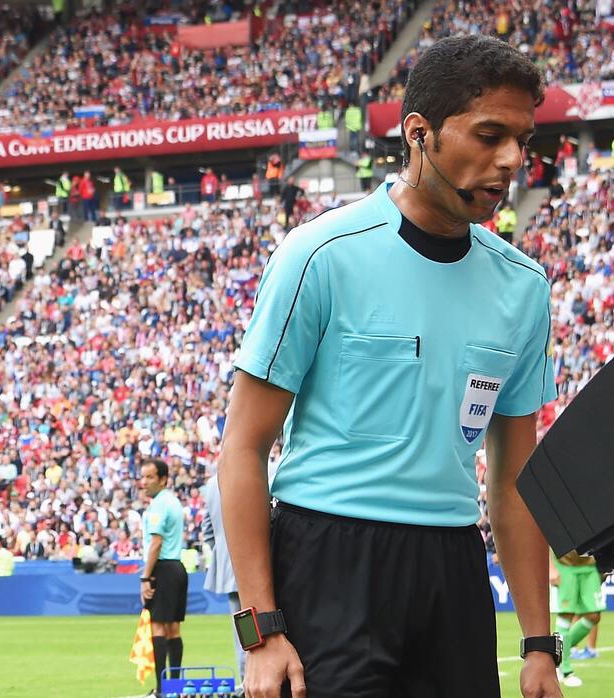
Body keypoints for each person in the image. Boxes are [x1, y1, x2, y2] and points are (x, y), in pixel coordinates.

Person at [219, 35, 561, 698]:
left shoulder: (524, 287)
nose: (512, 160)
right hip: (329, 562)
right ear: (418, 134)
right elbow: (243, 446)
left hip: (454, 567)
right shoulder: (320, 255)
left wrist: (539, 645)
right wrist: (260, 632)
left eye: (522, 140)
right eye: (490, 135)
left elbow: (514, 482)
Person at [139, 458, 188, 696]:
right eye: (143, 477)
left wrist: (145, 578)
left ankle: (161, 690)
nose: (144, 482)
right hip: (177, 567)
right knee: (173, 629)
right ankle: (174, 687)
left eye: (149, 477)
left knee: (157, 626)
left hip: (163, 568)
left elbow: (156, 542)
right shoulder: (173, 502)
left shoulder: (159, 505)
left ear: (163, 479)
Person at [203, 473, 245, 689]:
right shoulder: (269, 471)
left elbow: (208, 533)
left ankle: (245, 683)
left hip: (230, 571)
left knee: (243, 636)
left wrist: (225, 554)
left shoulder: (212, 483)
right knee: (264, 632)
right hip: (263, 571)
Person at [550, 551, 605, 687]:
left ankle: (555, 653)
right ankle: (565, 670)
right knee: (566, 615)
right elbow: (544, 539)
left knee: (594, 615)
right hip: (564, 564)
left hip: (590, 565)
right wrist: (551, 568)